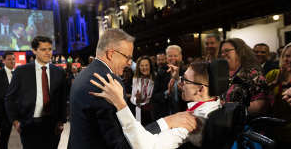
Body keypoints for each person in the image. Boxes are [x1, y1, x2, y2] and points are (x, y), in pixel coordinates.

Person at [68, 28, 196, 149]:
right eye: (127, 57)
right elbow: (123, 143)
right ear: (111, 54)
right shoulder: (109, 81)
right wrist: (166, 122)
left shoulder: (84, 74)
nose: (130, 63)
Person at [89, 60, 225, 149]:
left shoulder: (194, 121)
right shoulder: (214, 104)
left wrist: (120, 104)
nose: (181, 83)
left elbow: (147, 146)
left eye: (185, 80)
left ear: (201, 89)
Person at [5, 36, 67, 149]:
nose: (48, 53)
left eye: (50, 49)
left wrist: (61, 121)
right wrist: (15, 121)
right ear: (34, 51)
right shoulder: (21, 72)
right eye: (43, 49)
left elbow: (62, 98)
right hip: (29, 124)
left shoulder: (59, 72)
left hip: (52, 125)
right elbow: (9, 98)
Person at [220, 38, 269, 114]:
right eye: (222, 52)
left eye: (227, 51)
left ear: (239, 52)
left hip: (243, 122)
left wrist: (229, 107)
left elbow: (260, 106)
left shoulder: (253, 75)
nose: (223, 55)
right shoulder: (222, 73)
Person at [265, 42, 291, 147]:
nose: (290, 60)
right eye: (287, 56)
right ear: (282, 56)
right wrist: (274, 84)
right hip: (272, 130)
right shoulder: (273, 74)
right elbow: (260, 95)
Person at [0, 52, 15, 149]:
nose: (12, 61)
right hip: (3, 112)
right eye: (9, 59)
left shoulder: (17, 74)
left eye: (13, 59)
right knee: (4, 136)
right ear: (3, 61)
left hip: (17, 112)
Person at [130, 56, 155, 126]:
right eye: (142, 66)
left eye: (146, 65)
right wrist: (137, 100)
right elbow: (132, 98)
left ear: (150, 66)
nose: (144, 68)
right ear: (138, 67)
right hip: (139, 111)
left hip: (153, 112)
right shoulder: (135, 79)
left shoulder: (155, 78)